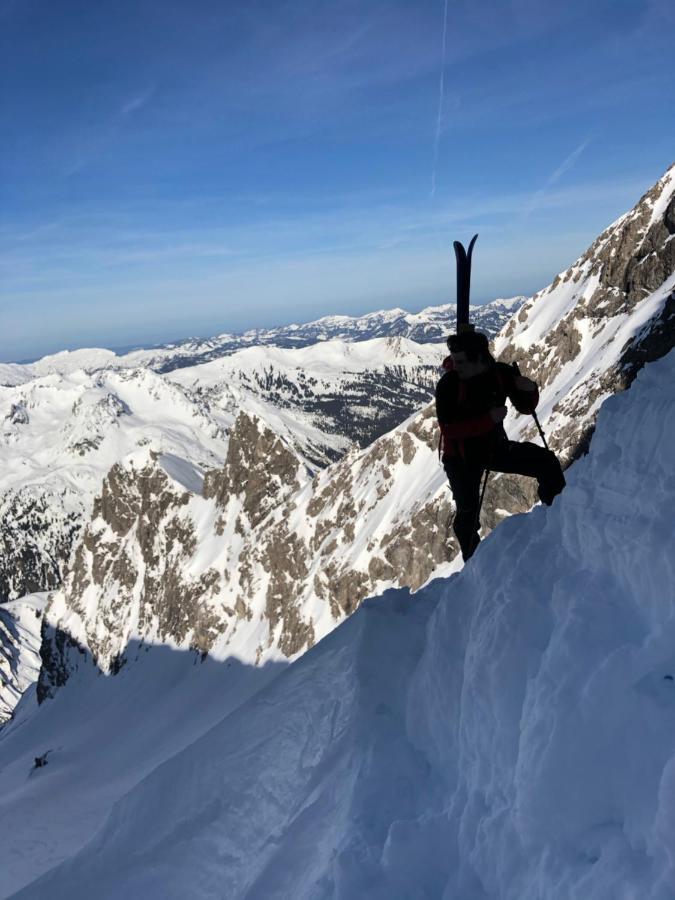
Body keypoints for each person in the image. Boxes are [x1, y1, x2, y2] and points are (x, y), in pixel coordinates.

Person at [436, 329, 566, 561]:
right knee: (467, 515)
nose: (455, 366)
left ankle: (560, 518)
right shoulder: (449, 384)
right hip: (461, 458)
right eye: (454, 360)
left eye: (461, 361)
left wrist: (530, 389)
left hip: (491, 447)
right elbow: (449, 430)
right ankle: (474, 564)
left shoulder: (500, 375)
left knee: (546, 462)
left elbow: (526, 407)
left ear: (480, 358)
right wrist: (489, 420)